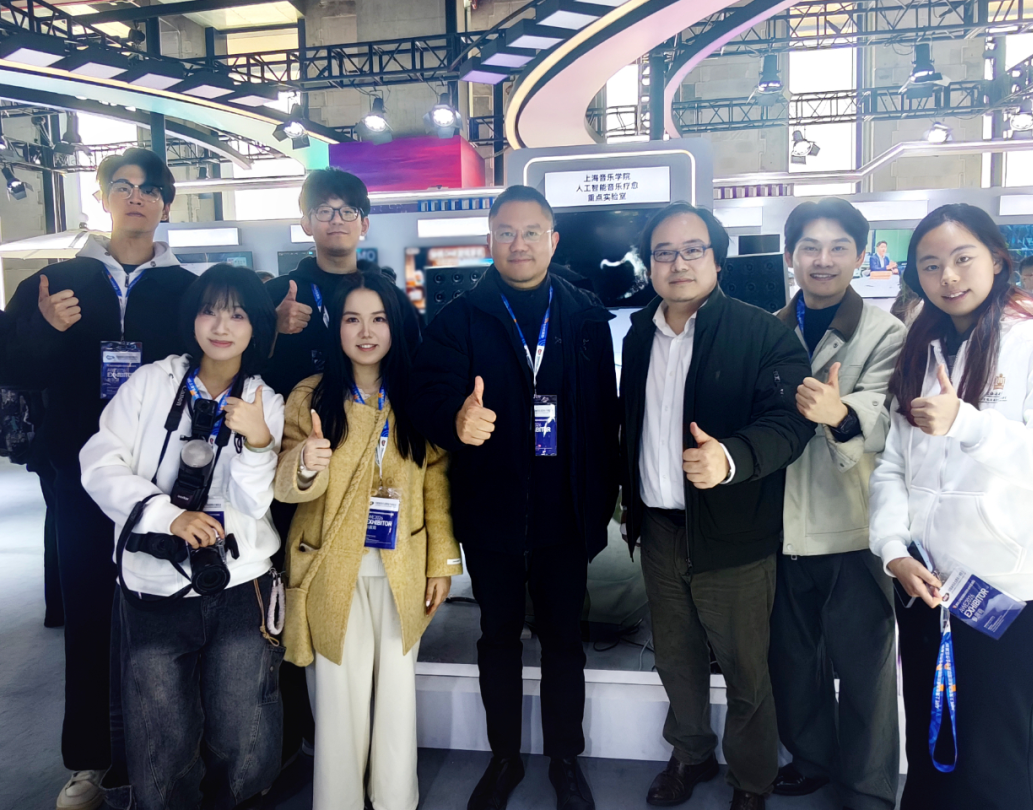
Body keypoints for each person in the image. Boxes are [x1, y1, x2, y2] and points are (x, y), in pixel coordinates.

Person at [409, 185, 619, 810]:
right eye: (506, 232)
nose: (518, 244)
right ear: (490, 240)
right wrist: (455, 418)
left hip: (566, 513)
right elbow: (425, 396)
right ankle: (504, 758)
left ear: (552, 240)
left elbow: (604, 416)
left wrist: (602, 502)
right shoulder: (458, 318)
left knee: (563, 641)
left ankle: (565, 759)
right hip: (491, 511)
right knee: (497, 637)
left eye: (531, 233)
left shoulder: (586, 316)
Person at [1, 147, 195, 810]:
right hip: (81, 479)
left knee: (162, 618)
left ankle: (162, 755)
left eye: (150, 188)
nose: (136, 197)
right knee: (86, 616)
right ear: (103, 197)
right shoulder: (53, 282)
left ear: (165, 204)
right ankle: (88, 761)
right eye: (123, 186)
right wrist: (45, 331)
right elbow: (12, 366)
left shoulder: (187, 288)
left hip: (162, 481)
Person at [870, 203, 1033, 810]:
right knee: (932, 746)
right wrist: (893, 550)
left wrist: (969, 423)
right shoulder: (924, 346)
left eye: (963, 258)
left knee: (995, 762)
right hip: (931, 586)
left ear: (997, 259)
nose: (949, 277)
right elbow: (893, 466)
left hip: (1018, 593)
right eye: (930, 265)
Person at [619, 203, 815, 810]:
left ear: (717, 259)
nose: (677, 263)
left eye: (692, 250)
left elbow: (790, 424)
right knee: (675, 660)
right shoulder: (639, 335)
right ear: (649, 264)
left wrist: (729, 458)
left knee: (745, 671)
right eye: (663, 253)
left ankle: (752, 780)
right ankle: (691, 754)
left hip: (734, 534)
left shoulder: (764, 334)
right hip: (660, 530)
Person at [79, 264, 285, 810]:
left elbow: (253, 504)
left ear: (256, 327)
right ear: (191, 318)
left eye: (237, 315)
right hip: (153, 582)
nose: (221, 326)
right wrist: (164, 515)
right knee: (159, 731)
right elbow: (98, 463)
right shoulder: (150, 382)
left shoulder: (264, 400)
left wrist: (258, 443)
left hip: (239, 582)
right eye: (209, 311)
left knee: (242, 726)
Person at [275, 271, 461, 810]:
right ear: (336, 327)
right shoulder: (311, 396)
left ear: (396, 325)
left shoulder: (417, 396)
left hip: (403, 562)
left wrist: (442, 561)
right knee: (338, 695)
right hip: (329, 564)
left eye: (378, 319)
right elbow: (285, 486)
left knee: (397, 693)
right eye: (352, 319)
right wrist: (305, 463)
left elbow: (436, 481)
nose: (365, 332)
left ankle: (394, 798)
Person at [769, 199, 906, 810]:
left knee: (865, 668)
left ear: (860, 254)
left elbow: (885, 416)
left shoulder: (886, 333)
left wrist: (840, 413)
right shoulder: (768, 328)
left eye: (838, 247)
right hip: (778, 528)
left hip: (851, 525)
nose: (822, 260)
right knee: (793, 660)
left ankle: (868, 786)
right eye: (809, 247)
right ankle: (810, 760)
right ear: (790, 255)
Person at [264, 167, 420, 399]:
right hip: (291, 417)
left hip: (376, 417)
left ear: (364, 224)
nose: (336, 220)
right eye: (324, 211)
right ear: (306, 224)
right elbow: (244, 367)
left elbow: (414, 366)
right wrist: (272, 327)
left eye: (348, 211)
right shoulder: (275, 294)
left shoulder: (391, 298)